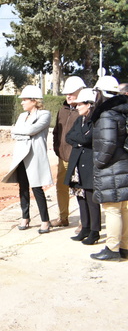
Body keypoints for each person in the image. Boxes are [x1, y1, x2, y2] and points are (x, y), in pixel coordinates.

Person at [3, 85, 53, 233]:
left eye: (25, 100)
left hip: (35, 156)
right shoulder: (21, 116)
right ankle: (25, 217)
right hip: (21, 156)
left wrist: (21, 132)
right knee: (23, 188)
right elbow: (14, 133)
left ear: (34, 101)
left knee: (37, 188)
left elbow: (32, 130)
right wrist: (23, 133)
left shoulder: (44, 114)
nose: (22, 102)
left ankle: (45, 220)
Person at [90, 76, 128, 261]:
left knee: (112, 210)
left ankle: (112, 249)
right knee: (123, 209)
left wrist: (98, 162)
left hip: (112, 168)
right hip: (123, 165)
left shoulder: (106, 115)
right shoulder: (121, 112)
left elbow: (108, 143)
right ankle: (124, 247)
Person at [64, 88, 100, 245]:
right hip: (77, 164)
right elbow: (68, 136)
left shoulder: (95, 121)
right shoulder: (80, 120)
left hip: (89, 164)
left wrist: (80, 140)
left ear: (89, 104)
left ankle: (95, 231)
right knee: (80, 197)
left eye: (80, 104)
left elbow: (88, 139)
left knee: (92, 199)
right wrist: (80, 140)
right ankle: (85, 227)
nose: (77, 107)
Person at [52, 76, 86, 228]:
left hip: (79, 157)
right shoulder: (62, 110)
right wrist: (58, 150)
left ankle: (83, 221)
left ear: (81, 91)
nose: (69, 95)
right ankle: (63, 217)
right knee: (61, 187)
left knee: (80, 189)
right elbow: (56, 132)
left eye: (72, 92)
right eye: (67, 93)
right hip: (63, 157)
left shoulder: (84, 110)